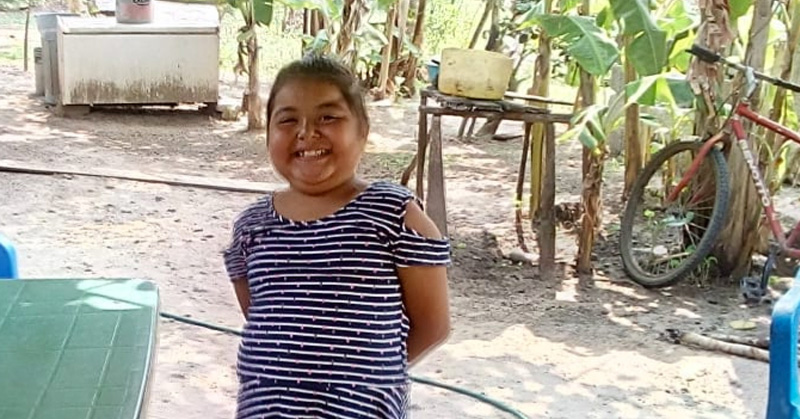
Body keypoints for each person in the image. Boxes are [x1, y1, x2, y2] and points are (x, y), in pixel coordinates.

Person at [223, 54, 451, 419]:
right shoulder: (251, 227)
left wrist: (363, 376)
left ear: (363, 130)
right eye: (287, 120)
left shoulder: (394, 215)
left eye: (328, 117)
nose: (306, 132)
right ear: (267, 134)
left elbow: (433, 326)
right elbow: (261, 318)